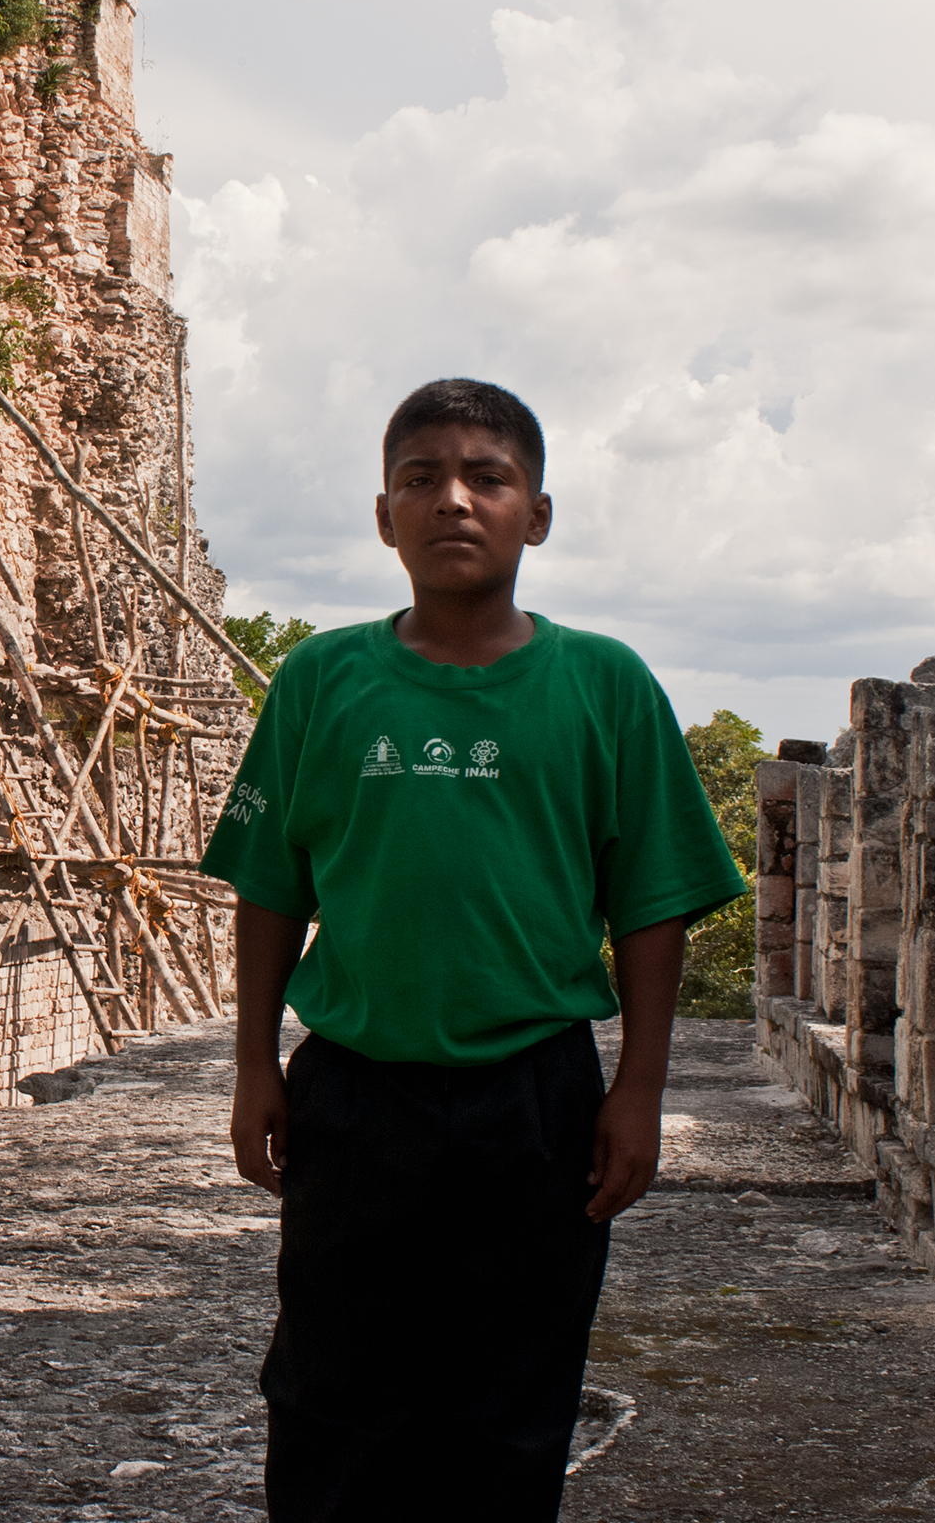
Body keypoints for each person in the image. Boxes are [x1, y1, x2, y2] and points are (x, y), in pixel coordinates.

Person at [199, 378, 744, 1521]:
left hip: (534, 1098)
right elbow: (269, 885)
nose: (453, 498)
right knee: (331, 1395)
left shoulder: (604, 685)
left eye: (487, 477)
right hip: (353, 1092)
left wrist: (637, 1087)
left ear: (535, 514)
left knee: (510, 1402)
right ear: (384, 514)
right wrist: (255, 1059)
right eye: (421, 477)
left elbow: (652, 900)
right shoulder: (320, 680)